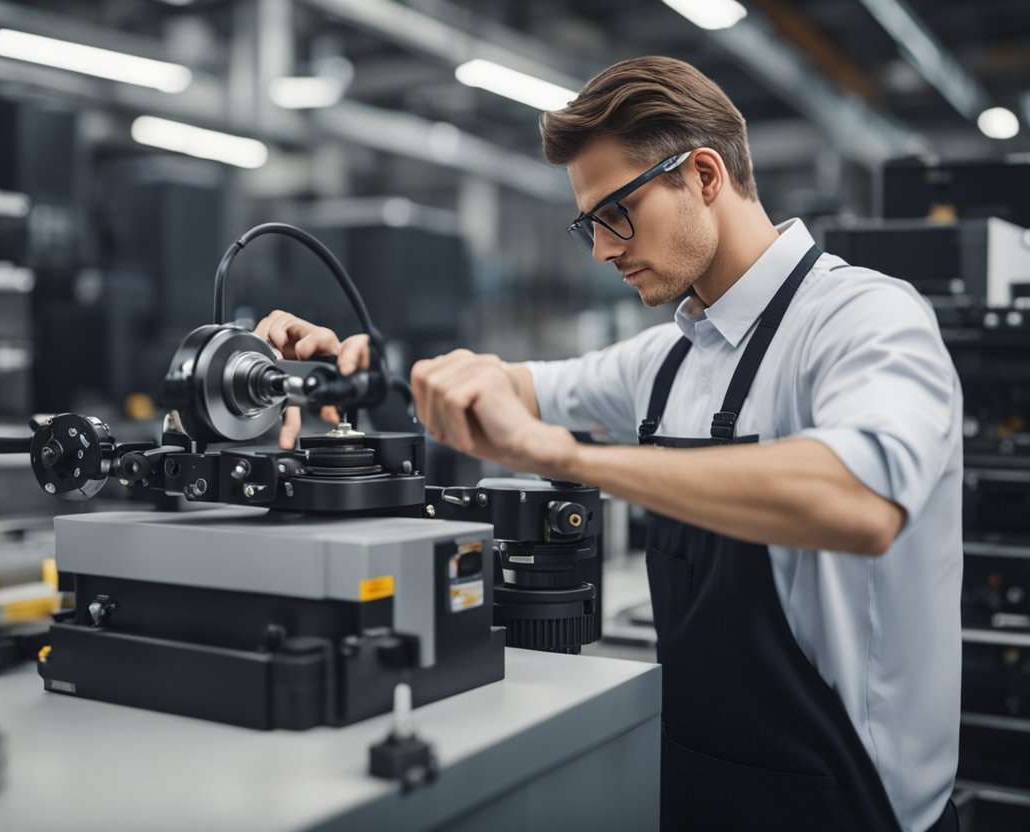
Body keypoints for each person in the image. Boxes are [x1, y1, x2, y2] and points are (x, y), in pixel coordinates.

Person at [255, 56, 961, 832]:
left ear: (703, 176)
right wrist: (352, 369)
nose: (600, 250)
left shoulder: (865, 319)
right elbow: (500, 387)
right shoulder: (670, 359)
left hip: (850, 809)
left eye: (617, 212)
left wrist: (566, 457)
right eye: (588, 224)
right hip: (703, 789)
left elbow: (862, 502)